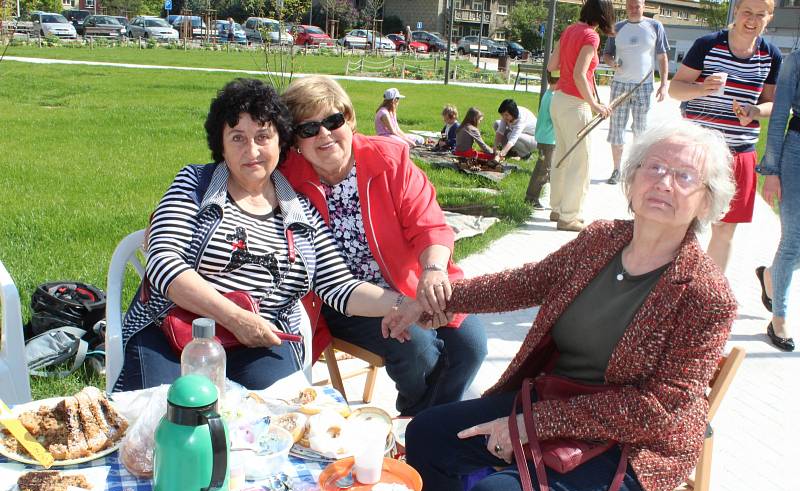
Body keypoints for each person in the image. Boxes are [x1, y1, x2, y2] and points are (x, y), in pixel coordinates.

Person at [399, 120, 738, 491]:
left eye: (685, 176)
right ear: (632, 180)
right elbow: (523, 283)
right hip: (555, 400)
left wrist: (530, 426)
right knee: (428, 435)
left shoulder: (706, 295)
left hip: (634, 447)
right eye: (654, 167)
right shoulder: (601, 240)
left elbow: (656, 411)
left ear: (707, 202)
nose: (665, 182)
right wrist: (434, 300)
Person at [115, 78, 422, 392]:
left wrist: (406, 302)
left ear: (281, 142)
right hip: (174, 331)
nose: (252, 151)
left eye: (263, 136)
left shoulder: (301, 212)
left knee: (282, 423)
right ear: (220, 144)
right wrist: (236, 319)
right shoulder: (195, 183)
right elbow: (164, 264)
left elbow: (339, 287)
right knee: (163, 420)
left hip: (260, 343)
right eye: (237, 138)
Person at [280, 75, 488, 416]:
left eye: (333, 121)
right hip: (343, 299)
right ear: (294, 141)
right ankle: (427, 425)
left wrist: (433, 272)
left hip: (412, 283)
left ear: (348, 119)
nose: (325, 134)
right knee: (418, 349)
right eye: (308, 129)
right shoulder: (288, 180)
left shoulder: (388, 160)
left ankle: (419, 420)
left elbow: (430, 226)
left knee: (471, 347)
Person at [669, 0, 781, 272]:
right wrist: (701, 88)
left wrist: (754, 111)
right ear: (736, 12)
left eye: (760, 14)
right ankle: (667, 286)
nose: (752, 20)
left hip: (740, 152)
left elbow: (772, 103)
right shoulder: (708, 44)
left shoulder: (771, 55)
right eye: (747, 12)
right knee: (680, 220)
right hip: (697, 151)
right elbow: (675, 89)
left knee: (725, 229)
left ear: (769, 17)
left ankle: (709, 292)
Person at [547, 0, 615, 232]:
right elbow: (580, 74)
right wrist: (594, 104)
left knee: (562, 157)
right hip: (575, 105)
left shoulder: (569, 30)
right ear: (604, 15)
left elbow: (551, 65)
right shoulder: (591, 36)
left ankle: (557, 209)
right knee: (580, 162)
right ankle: (569, 216)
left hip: (558, 101)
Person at [754, 49, 800, 352]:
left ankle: (771, 275)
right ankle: (779, 317)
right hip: (796, 154)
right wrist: (771, 170)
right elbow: (780, 112)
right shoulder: (796, 60)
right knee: (793, 239)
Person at [602, 0, 669, 185]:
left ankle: (638, 169)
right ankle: (616, 169)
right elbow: (607, 54)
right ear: (626, 6)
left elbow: (662, 56)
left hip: (643, 85)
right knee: (617, 128)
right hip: (619, 85)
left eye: (637, 6)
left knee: (640, 129)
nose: (633, 9)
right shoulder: (617, 28)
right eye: (630, 6)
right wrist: (611, 63)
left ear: (643, 5)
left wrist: (663, 84)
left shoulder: (655, 26)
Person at [525, 71, 559, 207]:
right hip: (548, 140)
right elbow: (555, 117)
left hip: (545, 138)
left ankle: (550, 198)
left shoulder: (548, 94)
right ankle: (531, 197)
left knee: (545, 168)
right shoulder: (553, 98)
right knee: (543, 170)